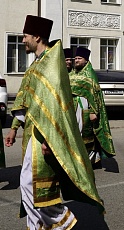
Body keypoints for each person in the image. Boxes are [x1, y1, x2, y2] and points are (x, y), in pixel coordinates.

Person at [4, 15, 104, 229]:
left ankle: (62, 223)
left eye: (25, 36)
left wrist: (52, 140)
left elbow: (56, 107)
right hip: (31, 133)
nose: (22, 41)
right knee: (27, 184)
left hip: (45, 136)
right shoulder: (35, 66)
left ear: (37, 36)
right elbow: (24, 98)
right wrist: (14, 127)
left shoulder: (52, 64)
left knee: (36, 186)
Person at [69, 47, 115, 167]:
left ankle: (89, 160)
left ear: (85, 60)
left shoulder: (90, 74)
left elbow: (95, 94)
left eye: (79, 58)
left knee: (86, 135)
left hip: (85, 108)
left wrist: (94, 111)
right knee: (74, 134)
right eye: (76, 58)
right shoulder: (72, 73)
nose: (76, 60)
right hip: (72, 107)